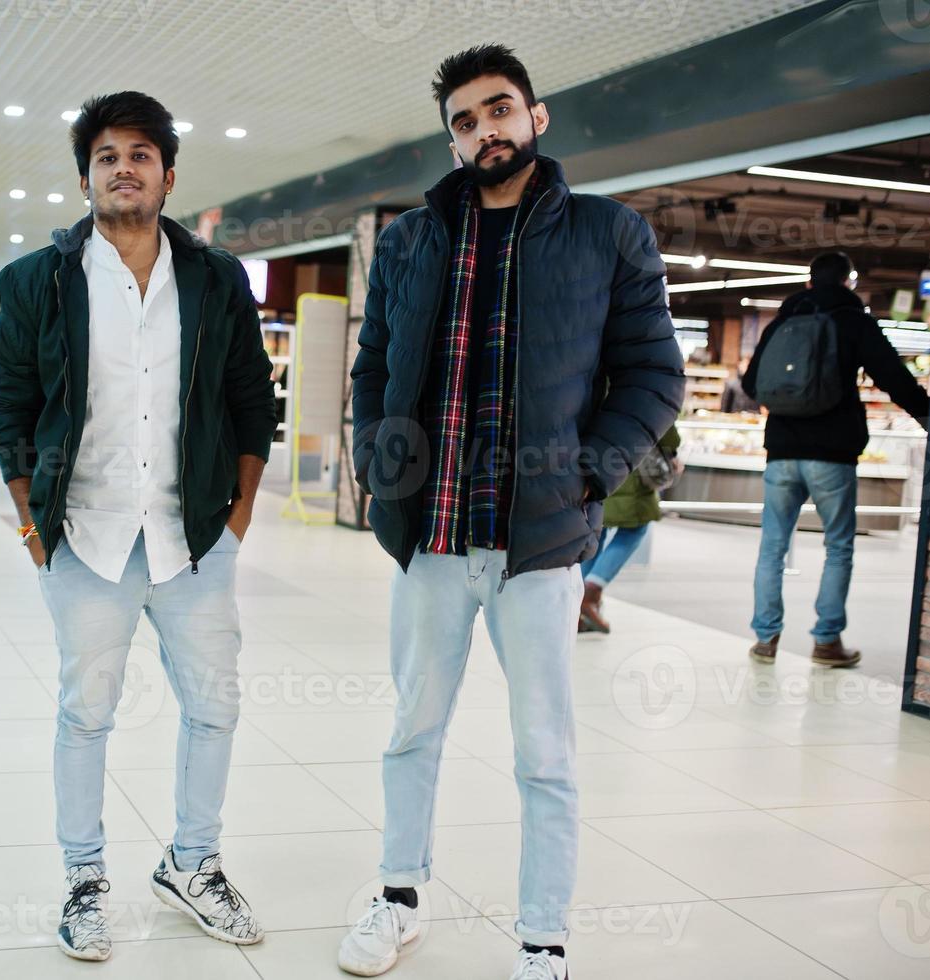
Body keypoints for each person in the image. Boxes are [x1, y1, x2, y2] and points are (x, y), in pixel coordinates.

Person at [341, 44, 683, 980]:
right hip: (433, 537)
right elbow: (372, 365)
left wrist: (584, 473)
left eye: (498, 110)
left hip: (537, 542)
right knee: (412, 729)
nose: (483, 130)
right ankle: (397, 898)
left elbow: (656, 374)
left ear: (535, 117)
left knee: (545, 752)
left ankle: (542, 938)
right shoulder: (413, 240)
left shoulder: (608, 232)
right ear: (452, 140)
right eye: (463, 120)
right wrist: (377, 458)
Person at [0, 91, 277, 963]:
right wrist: (31, 523)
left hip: (192, 538)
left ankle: (193, 863)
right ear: (86, 177)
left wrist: (241, 514)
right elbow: (12, 406)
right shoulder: (37, 282)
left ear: (168, 175)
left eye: (140, 154)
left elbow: (249, 397)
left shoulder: (215, 278)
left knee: (215, 707)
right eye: (107, 155)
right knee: (86, 713)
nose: (124, 167)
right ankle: (83, 881)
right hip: (85, 536)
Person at [742, 251, 929, 668]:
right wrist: (925, 413)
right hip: (833, 453)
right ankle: (826, 641)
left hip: (782, 451)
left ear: (809, 281)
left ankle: (766, 638)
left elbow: (752, 382)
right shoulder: (853, 319)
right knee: (838, 546)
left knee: (772, 546)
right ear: (848, 281)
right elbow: (891, 375)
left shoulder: (783, 320)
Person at [578, 425, 681, 634]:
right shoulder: (642, 391)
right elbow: (665, 428)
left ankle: (577, 604)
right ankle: (592, 590)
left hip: (593, 460)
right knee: (635, 529)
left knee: (596, 531)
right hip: (631, 464)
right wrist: (672, 449)